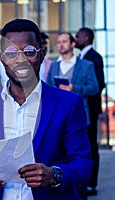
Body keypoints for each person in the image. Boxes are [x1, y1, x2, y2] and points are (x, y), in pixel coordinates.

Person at [0, 18, 93, 200]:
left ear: (41, 55)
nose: (20, 60)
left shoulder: (69, 103)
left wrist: (53, 175)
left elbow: (83, 164)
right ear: (1, 57)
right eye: (11, 52)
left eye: (29, 51)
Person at [75, 27, 106, 196]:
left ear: (86, 38)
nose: (75, 39)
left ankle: (91, 184)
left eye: (78, 37)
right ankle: (86, 181)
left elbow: (98, 84)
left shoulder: (94, 58)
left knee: (91, 147)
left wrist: (78, 89)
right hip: (82, 108)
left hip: (91, 110)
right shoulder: (80, 58)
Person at [46, 32, 99, 126]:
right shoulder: (53, 65)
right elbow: (48, 87)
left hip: (78, 114)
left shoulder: (86, 65)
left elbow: (94, 88)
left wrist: (73, 88)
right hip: (57, 116)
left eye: (64, 41)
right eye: (58, 42)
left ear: (73, 44)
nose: (61, 45)